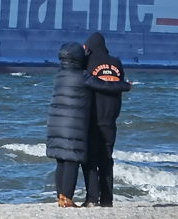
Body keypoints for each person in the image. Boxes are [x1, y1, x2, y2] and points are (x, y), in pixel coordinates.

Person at [46, 41, 132, 207]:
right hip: (73, 125)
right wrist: (126, 86)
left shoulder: (58, 76)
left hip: (55, 124)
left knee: (61, 160)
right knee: (71, 160)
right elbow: (104, 85)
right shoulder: (82, 76)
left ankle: (61, 197)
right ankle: (69, 199)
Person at [83, 31, 130, 207]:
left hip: (92, 118)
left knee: (90, 160)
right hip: (111, 119)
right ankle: (108, 199)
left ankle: (92, 199)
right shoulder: (116, 62)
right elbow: (118, 84)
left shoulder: (87, 62)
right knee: (107, 159)